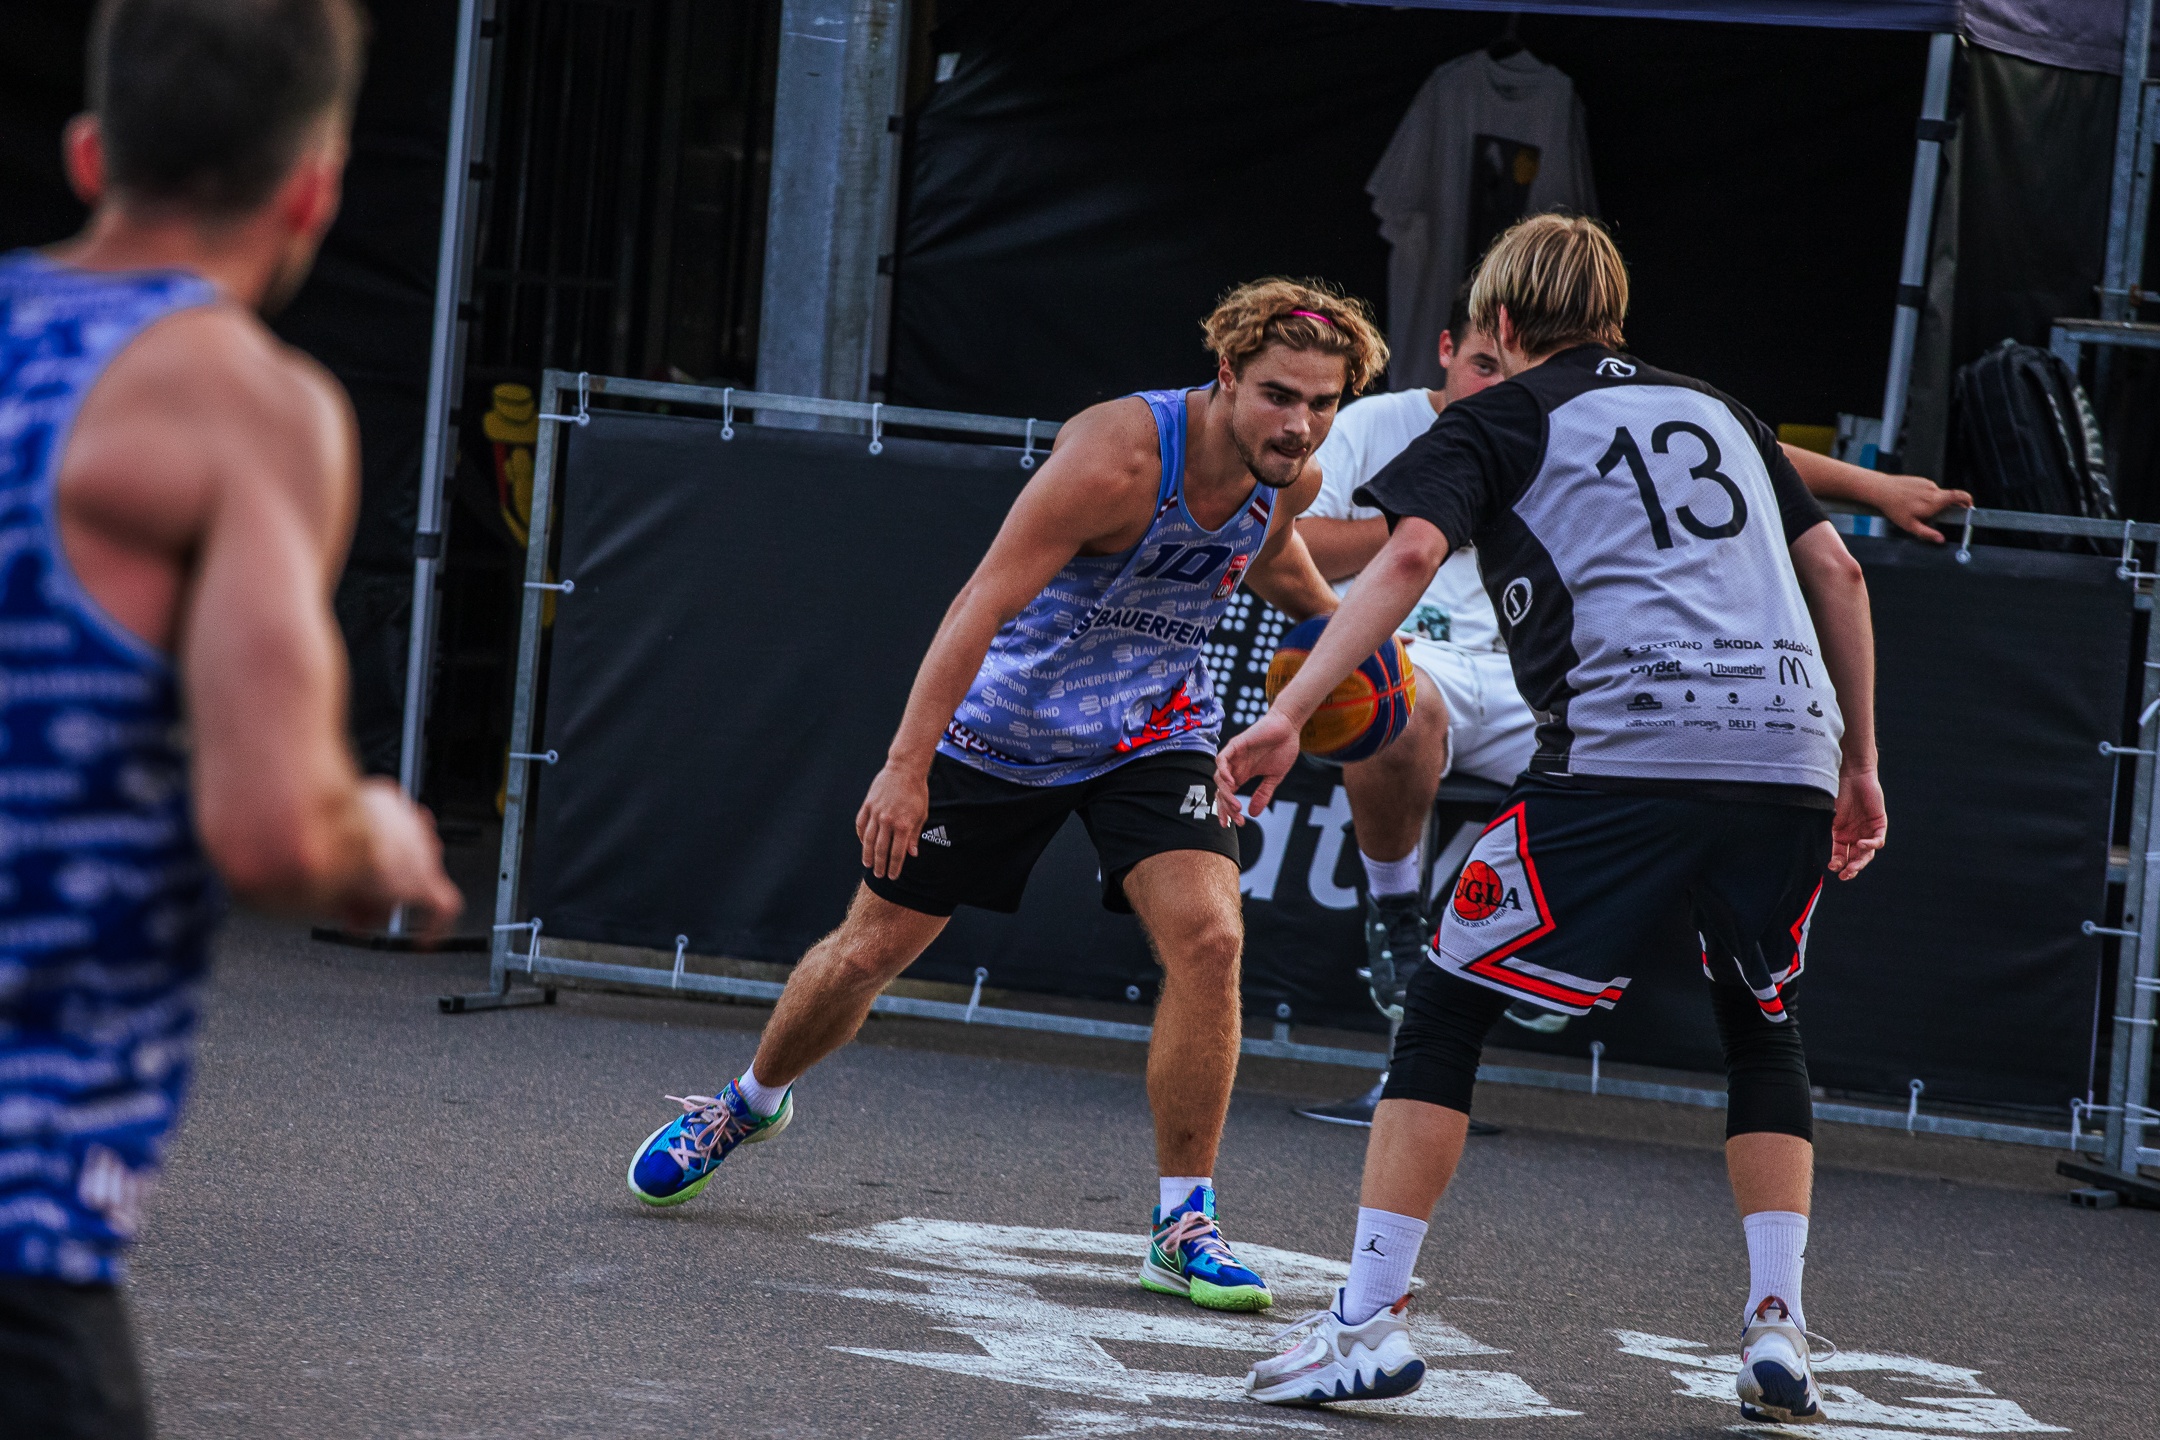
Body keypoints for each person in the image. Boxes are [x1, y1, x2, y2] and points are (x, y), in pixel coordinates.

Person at [1220, 214, 1885, 1424]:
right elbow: (1838, 572)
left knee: (1444, 1007)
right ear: (1616, 316)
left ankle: (1365, 1321)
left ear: (1499, 322)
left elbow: (1405, 558)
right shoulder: (1722, 410)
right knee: (1760, 1022)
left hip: (1635, 749)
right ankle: (1777, 1324)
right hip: (1791, 747)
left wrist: (1292, 709)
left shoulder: (1501, 414)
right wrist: (1862, 762)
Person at [625, 280, 1386, 1313]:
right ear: (1225, 376)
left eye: (1323, 402)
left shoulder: (1288, 475)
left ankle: (1183, 1224)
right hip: (1004, 732)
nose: (1299, 423)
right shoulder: (1118, 459)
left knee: (1211, 940)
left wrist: (1346, 640)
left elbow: (1269, 552)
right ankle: (748, 1104)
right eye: (1278, 396)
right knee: (868, 952)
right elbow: (980, 602)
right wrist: (907, 766)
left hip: (1155, 731)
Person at [0, 3, 464, 1435]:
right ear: (313, 190)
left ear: (92, 153)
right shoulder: (241, 403)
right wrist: (375, 837)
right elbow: (272, 833)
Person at [1307, 286, 1965, 1036]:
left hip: (1546, 684)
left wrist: (1873, 488)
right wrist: (1429, 515)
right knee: (1394, 704)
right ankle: (1395, 913)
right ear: (1446, 351)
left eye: (1505, 367)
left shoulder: (1561, 411)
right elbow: (1297, 537)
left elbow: (1740, 448)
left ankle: (1561, 949)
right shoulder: (1401, 424)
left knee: (1640, 753)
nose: (1497, 383)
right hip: (1430, 662)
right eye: (1480, 366)